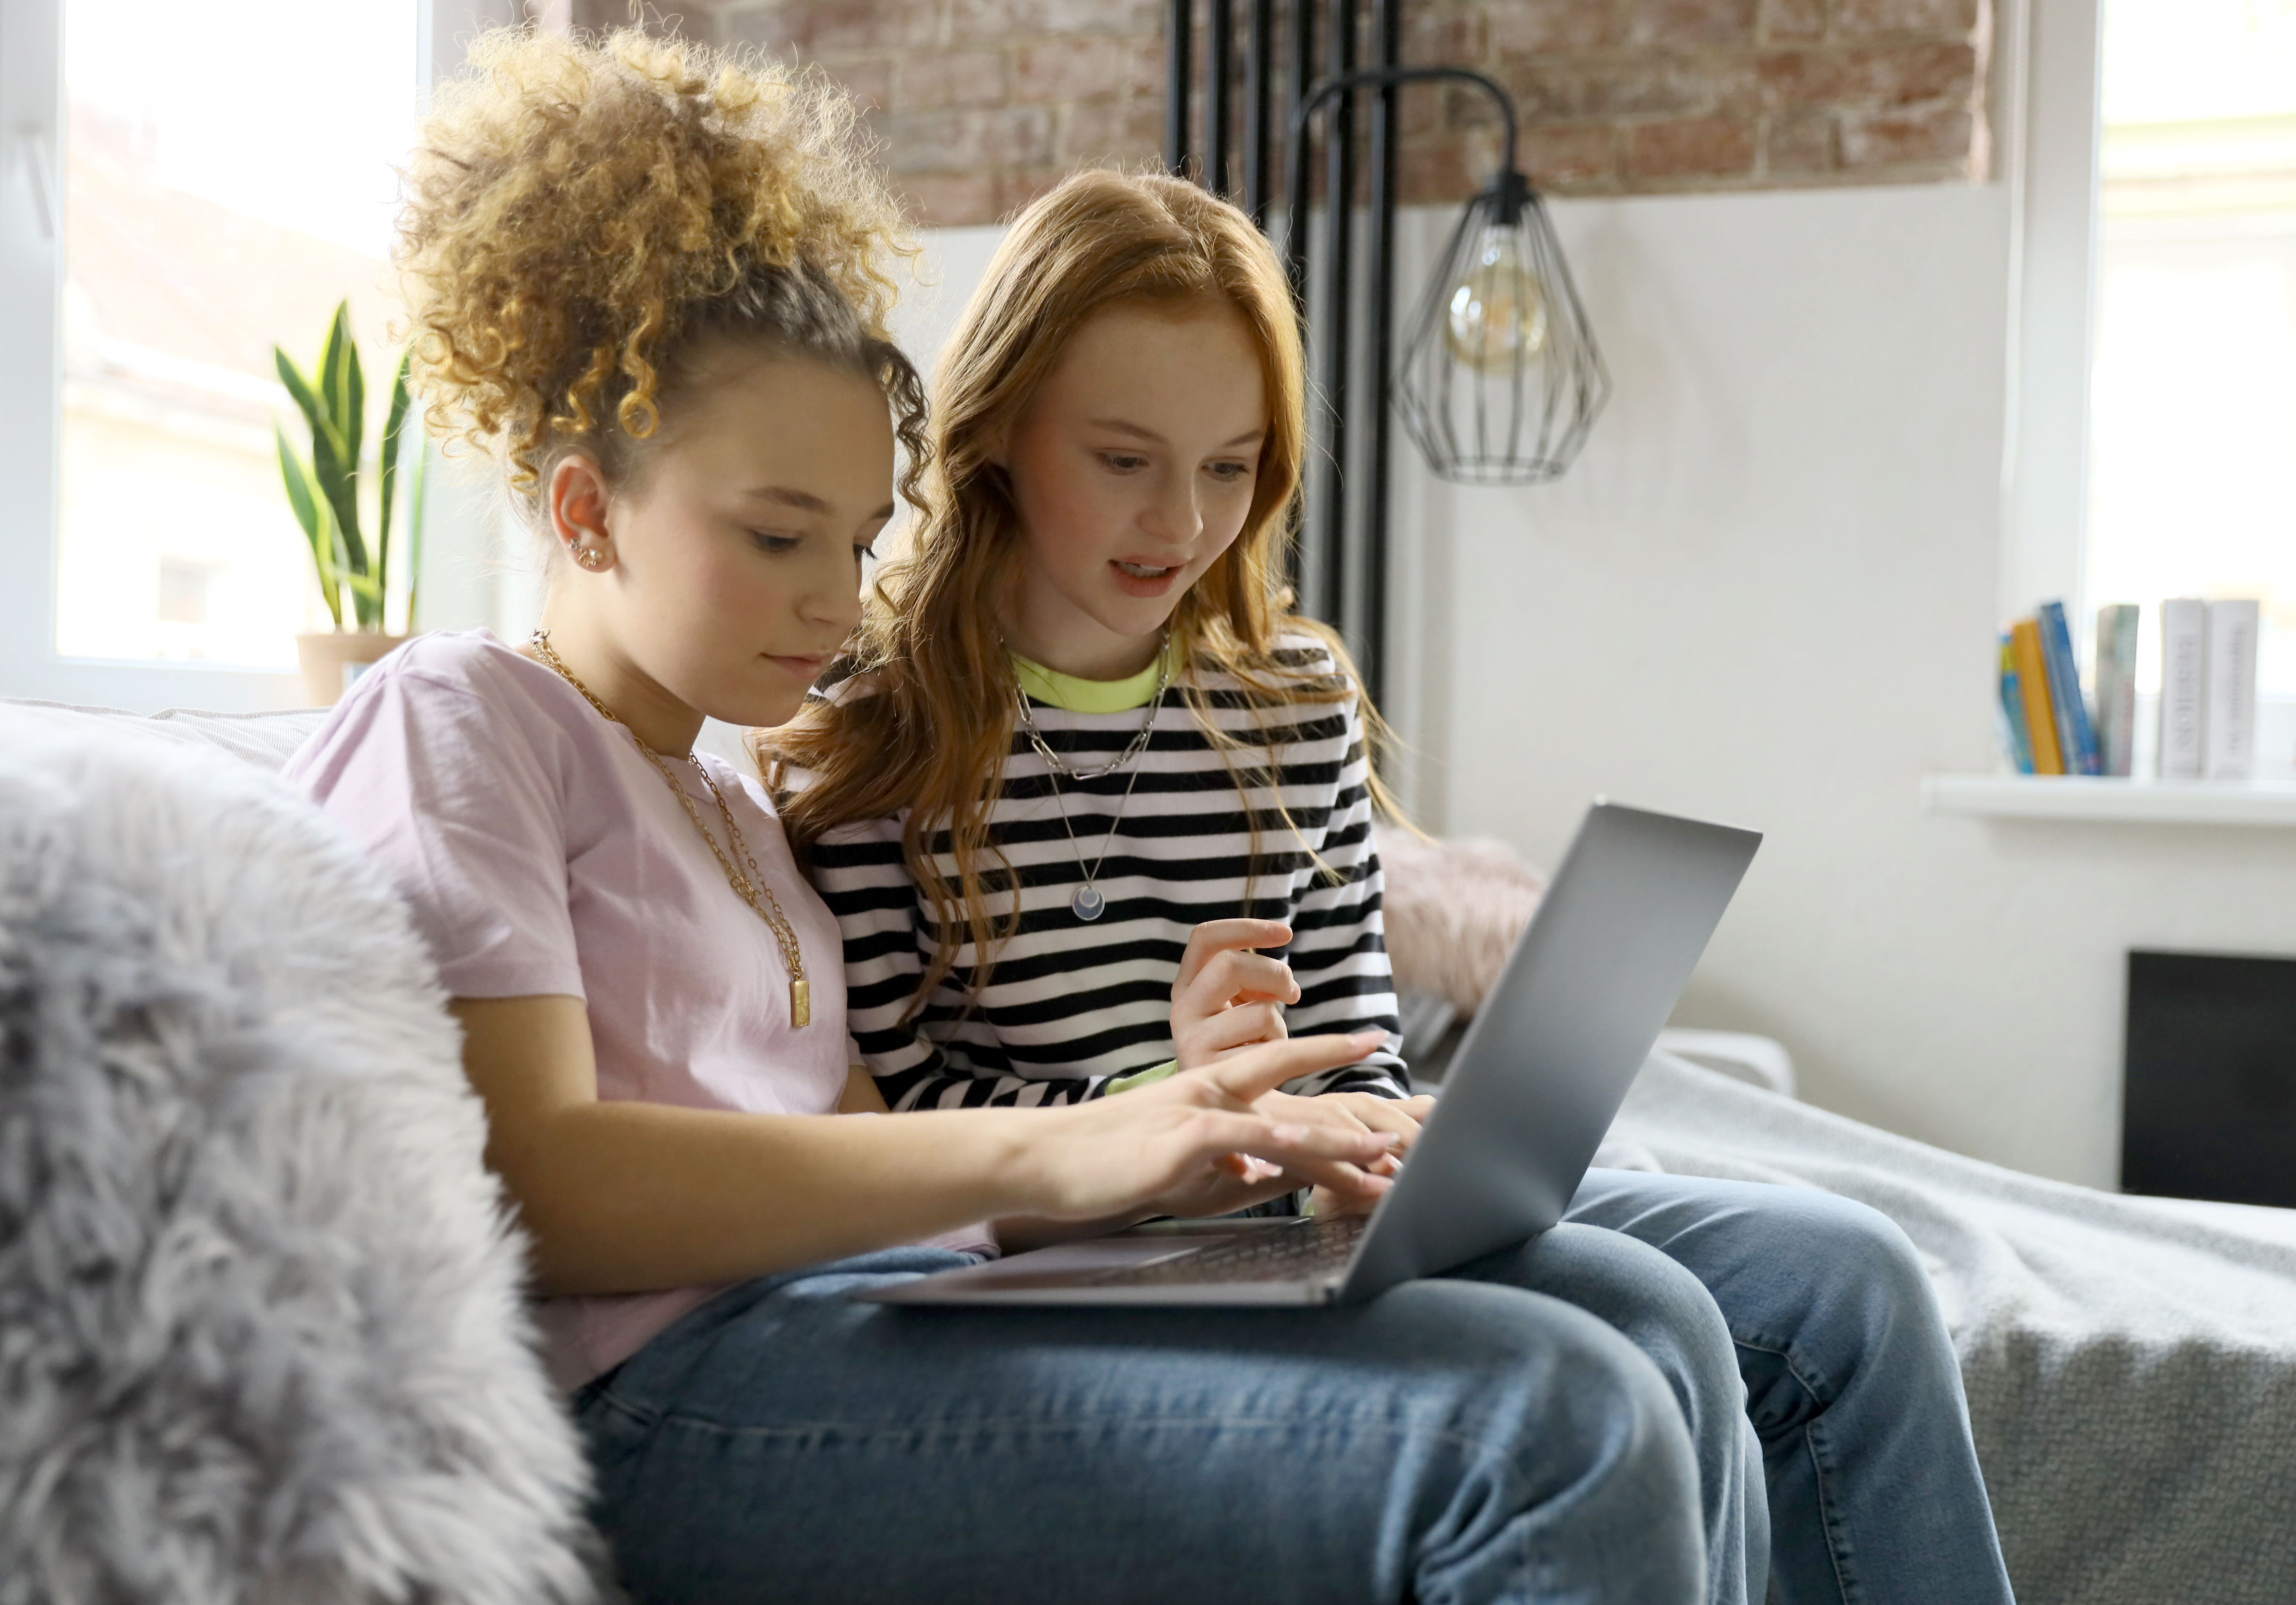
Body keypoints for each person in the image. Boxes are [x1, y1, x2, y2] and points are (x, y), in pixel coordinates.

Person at [285, 28, 1746, 1605]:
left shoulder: (725, 803)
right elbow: (536, 1183)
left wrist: (1181, 1157)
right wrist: (1078, 1145)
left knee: (1647, 1322)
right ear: (585, 509)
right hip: (660, 1391)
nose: (833, 601)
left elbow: (868, 1156)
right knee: (1557, 1415)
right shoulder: (463, 716)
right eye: (777, 536)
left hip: (881, 1309)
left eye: (857, 543)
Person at [764, 168, 2017, 1605]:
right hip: (1095, 1247)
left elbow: (1358, 1033)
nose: (1180, 520)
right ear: (997, 429)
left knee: (1858, 1274)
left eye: (1230, 467)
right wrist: (1183, 1105)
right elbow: (906, 1129)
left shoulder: (1290, 700)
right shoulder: (868, 733)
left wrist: (1385, 1133)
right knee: (1654, 1318)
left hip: (1314, 1220)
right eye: (1123, 459)